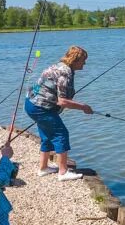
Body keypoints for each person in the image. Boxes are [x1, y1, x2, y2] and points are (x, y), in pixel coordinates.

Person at [25, 45, 92, 181]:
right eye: (83, 61)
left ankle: (43, 168)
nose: (84, 64)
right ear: (75, 59)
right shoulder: (65, 72)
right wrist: (83, 107)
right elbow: (62, 101)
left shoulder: (59, 66)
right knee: (60, 134)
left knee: (47, 135)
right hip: (40, 107)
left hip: (31, 103)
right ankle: (63, 172)